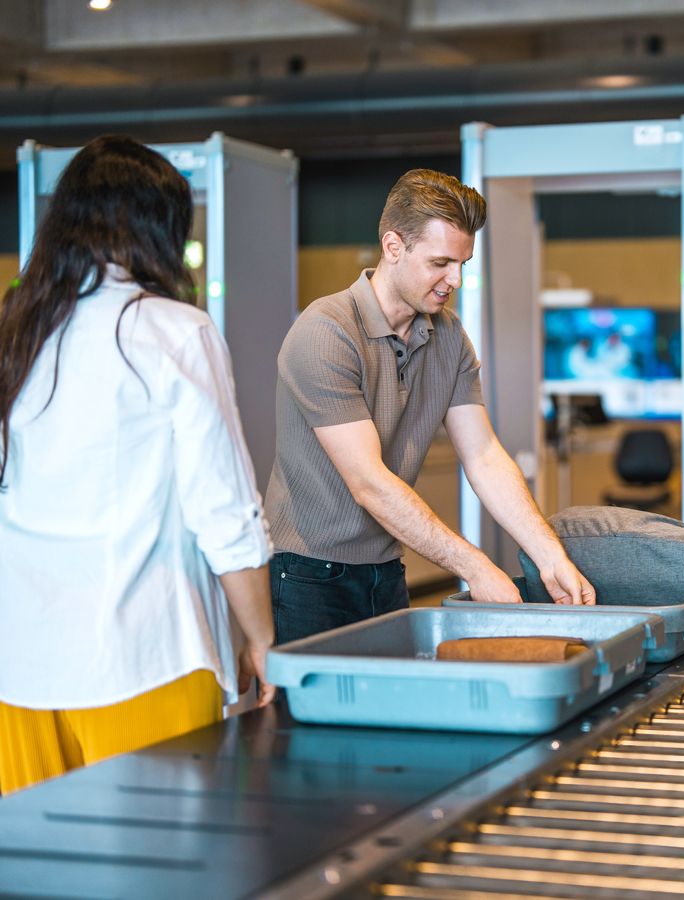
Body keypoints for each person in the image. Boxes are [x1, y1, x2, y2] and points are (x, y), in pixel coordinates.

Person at [0, 135, 275, 794]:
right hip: (141, 655)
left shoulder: (16, 331)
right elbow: (224, 513)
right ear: (160, 231)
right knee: (160, 872)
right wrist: (262, 640)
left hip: (18, 668)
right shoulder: (174, 331)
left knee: (34, 873)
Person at [266, 168, 593, 645]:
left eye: (462, 263)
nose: (454, 279)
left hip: (385, 570)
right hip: (306, 577)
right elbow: (369, 484)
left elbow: (483, 456)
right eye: (441, 262)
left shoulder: (448, 337)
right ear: (393, 246)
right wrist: (475, 566)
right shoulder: (326, 331)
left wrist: (549, 556)